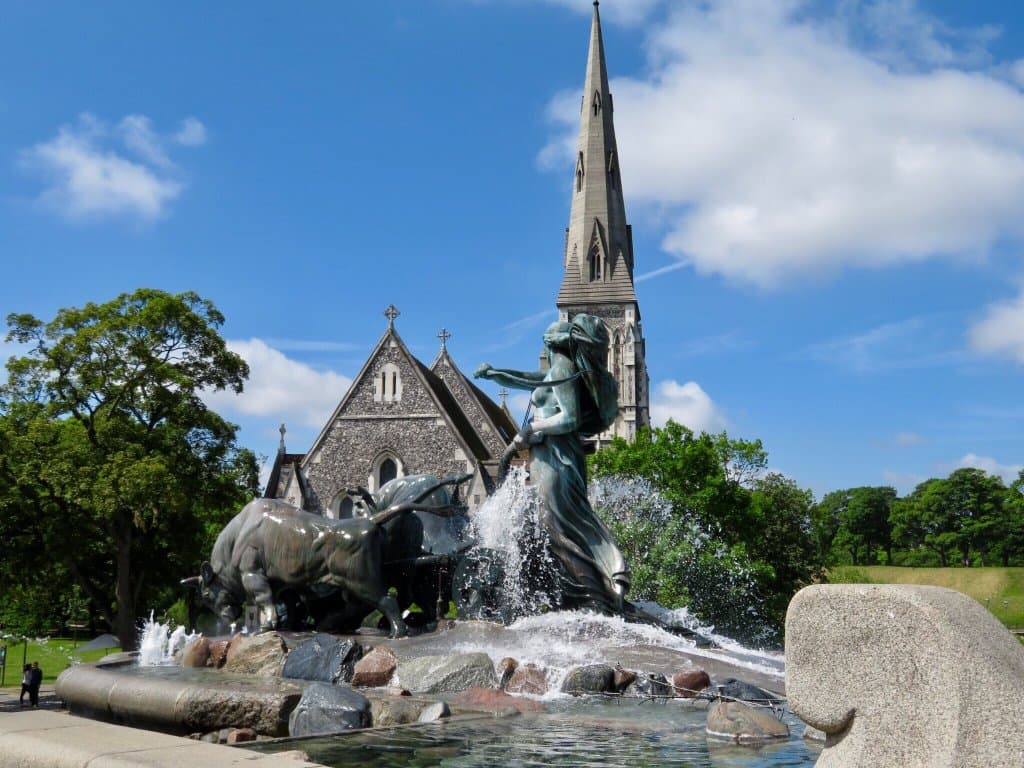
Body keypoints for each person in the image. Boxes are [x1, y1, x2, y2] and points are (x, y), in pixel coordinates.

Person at [475, 314, 630, 614]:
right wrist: (496, 374)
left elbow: (569, 419)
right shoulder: (560, 370)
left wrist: (533, 429)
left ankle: (595, 594)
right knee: (562, 525)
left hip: (557, 459)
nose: (545, 350)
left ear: (558, 344)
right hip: (551, 456)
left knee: (558, 526)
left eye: (548, 343)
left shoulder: (563, 367)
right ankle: (591, 589)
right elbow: (526, 379)